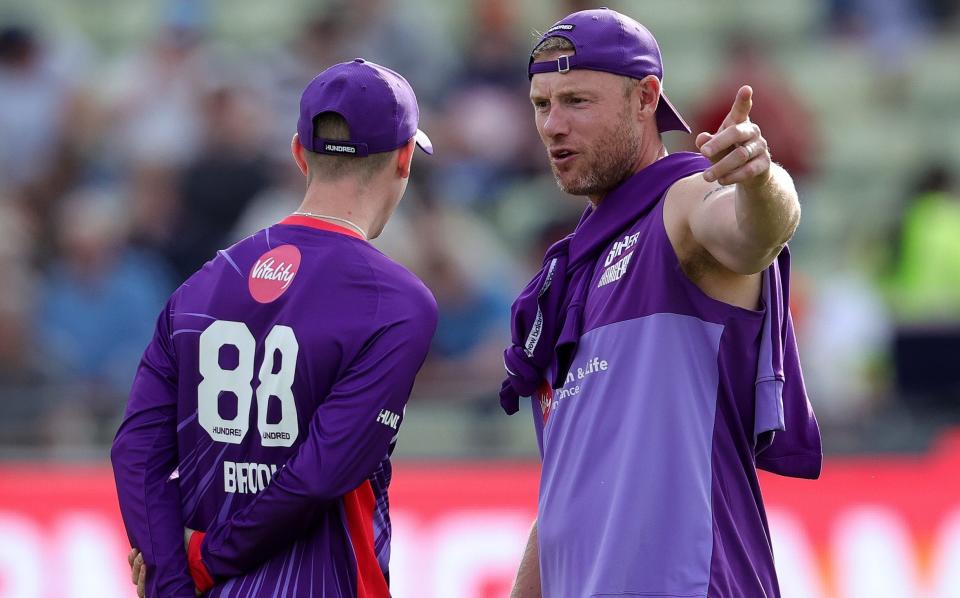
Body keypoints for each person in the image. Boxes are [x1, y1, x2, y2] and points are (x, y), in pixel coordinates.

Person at [500, 9, 822, 598]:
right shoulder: (568, 273)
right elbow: (570, 489)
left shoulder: (682, 202)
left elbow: (756, 231)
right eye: (541, 105)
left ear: (645, 98)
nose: (552, 125)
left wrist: (759, 178)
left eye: (576, 100)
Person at [111, 58, 437, 597]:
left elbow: (137, 453)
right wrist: (207, 562)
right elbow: (321, 474)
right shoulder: (399, 302)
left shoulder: (202, 284)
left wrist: (173, 581)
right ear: (404, 158)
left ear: (298, 153)